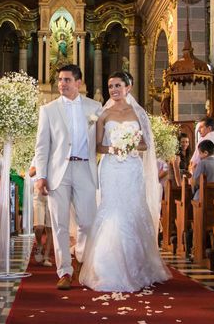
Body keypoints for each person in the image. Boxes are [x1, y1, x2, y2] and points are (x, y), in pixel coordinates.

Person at [79, 71, 171, 292]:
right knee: (112, 211)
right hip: (111, 167)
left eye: (118, 85)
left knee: (131, 209)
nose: (114, 90)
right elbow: (98, 145)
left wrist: (130, 145)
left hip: (131, 168)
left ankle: (137, 265)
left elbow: (145, 145)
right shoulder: (104, 114)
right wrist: (114, 148)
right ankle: (105, 267)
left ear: (128, 87)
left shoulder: (138, 114)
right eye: (111, 86)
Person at [33, 64, 102, 290]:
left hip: (85, 169)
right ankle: (64, 271)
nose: (62, 84)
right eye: (60, 80)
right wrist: (41, 176)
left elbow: (102, 139)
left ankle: (81, 259)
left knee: (88, 222)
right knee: (59, 223)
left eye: (67, 80)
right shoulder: (48, 110)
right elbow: (42, 146)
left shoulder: (95, 107)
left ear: (78, 83)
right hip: (57, 172)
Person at [29, 164, 53, 267]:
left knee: (50, 228)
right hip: (38, 193)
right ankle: (39, 244)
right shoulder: (39, 156)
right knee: (38, 226)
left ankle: (46, 257)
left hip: (53, 192)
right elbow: (30, 173)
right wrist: (43, 163)